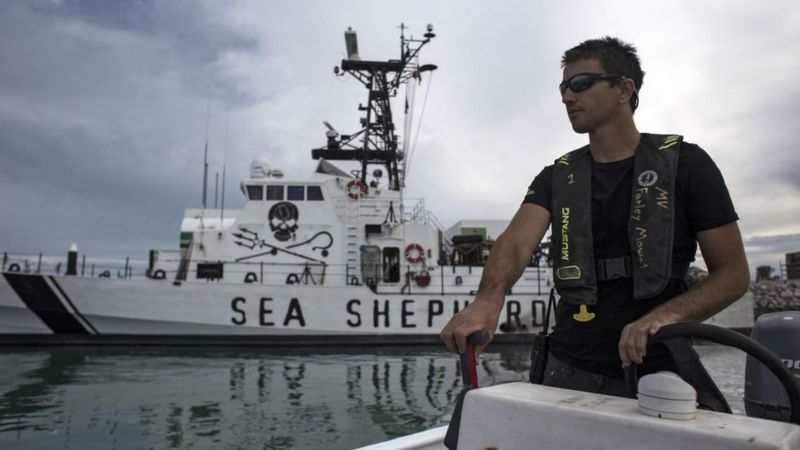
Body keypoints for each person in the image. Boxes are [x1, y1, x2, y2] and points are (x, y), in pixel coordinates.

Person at [440, 36, 749, 397]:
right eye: (563, 87)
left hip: (658, 373)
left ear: (624, 89)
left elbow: (733, 275)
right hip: (566, 371)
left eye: (581, 84)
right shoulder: (556, 176)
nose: (567, 97)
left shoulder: (687, 164)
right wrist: (488, 301)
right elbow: (518, 240)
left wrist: (660, 319)